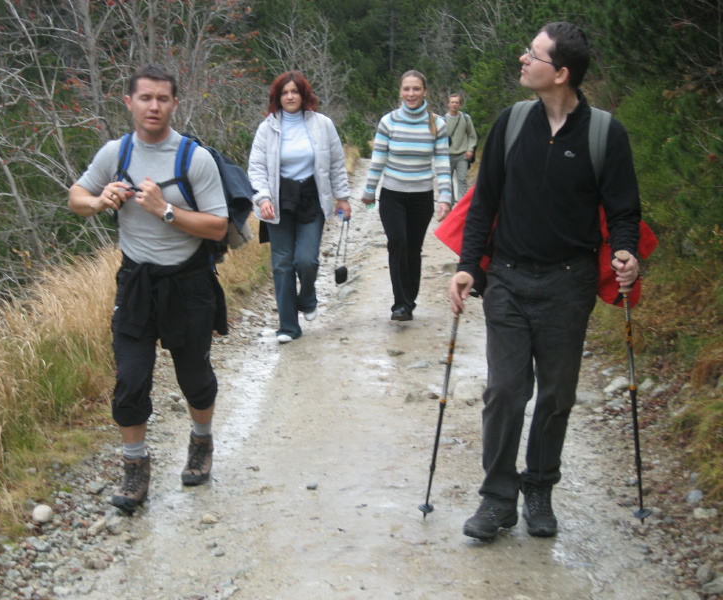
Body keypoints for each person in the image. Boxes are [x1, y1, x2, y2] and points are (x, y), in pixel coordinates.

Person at [449, 23, 642, 541]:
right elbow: (483, 204)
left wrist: (625, 254)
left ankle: (538, 488)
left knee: (557, 395)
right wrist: (469, 266)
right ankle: (497, 499)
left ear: (560, 73)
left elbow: (624, 212)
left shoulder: (605, 134)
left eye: (532, 54)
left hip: (568, 283)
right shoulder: (511, 123)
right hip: (508, 278)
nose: (522, 59)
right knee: (505, 391)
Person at [68, 64, 229, 512]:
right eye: (145, 98)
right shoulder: (115, 153)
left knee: (194, 377)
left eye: (162, 98)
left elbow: (218, 226)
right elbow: (75, 196)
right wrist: (98, 201)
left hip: (189, 284)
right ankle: (135, 466)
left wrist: (165, 210)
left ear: (174, 103)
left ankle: (201, 441)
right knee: (131, 378)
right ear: (129, 103)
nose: (153, 106)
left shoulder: (194, 158)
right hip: (136, 282)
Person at [248, 71, 351, 343]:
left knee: (307, 260)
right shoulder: (267, 128)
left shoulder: (323, 124)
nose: (290, 97)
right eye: (285, 93)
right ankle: (288, 327)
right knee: (282, 264)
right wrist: (263, 198)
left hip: (311, 198)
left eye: (294, 91)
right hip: (278, 201)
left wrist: (342, 197)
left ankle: (307, 297)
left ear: (304, 95)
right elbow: (256, 167)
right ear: (277, 97)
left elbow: (336, 163)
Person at [361, 70, 452, 321]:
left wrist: (445, 196)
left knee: (413, 249)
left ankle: (409, 300)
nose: (411, 94)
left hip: (422, 198)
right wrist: (369, 190)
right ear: (400, 92)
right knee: (398, 242)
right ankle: (400, 303)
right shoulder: (388, 122)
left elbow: (442, 162)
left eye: (416, 89)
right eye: (406, 89)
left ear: (425, 92)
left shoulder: (437, 124)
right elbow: (378, 159)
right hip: (393, 196)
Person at [445, 93, 478, 202]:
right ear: (448, 104)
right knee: (447, 181)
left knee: (462, 180)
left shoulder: (466, 118)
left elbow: (472, 136)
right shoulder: (443, 120)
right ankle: (449, 204)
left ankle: (461, 204)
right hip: (447, 155)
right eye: (452, 102)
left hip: (462, 155)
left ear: (460, 104)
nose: (454, 104)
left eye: (457, 102)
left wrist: (470, 149)